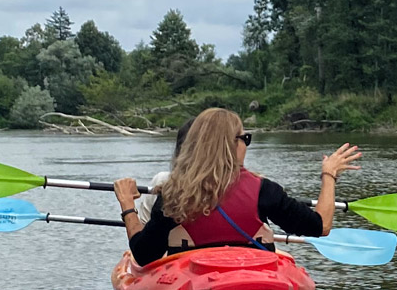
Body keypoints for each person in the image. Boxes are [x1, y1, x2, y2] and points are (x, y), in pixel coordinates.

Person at [113, 108, 361, 266]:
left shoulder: (173, 193)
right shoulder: (264, 191)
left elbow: (144, 255)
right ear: (231, 145)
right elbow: (321, 226)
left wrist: (127, 206)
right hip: (254, 278)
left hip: (194, 283)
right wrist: (329, 175)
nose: (246, 145)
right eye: (245, 138)